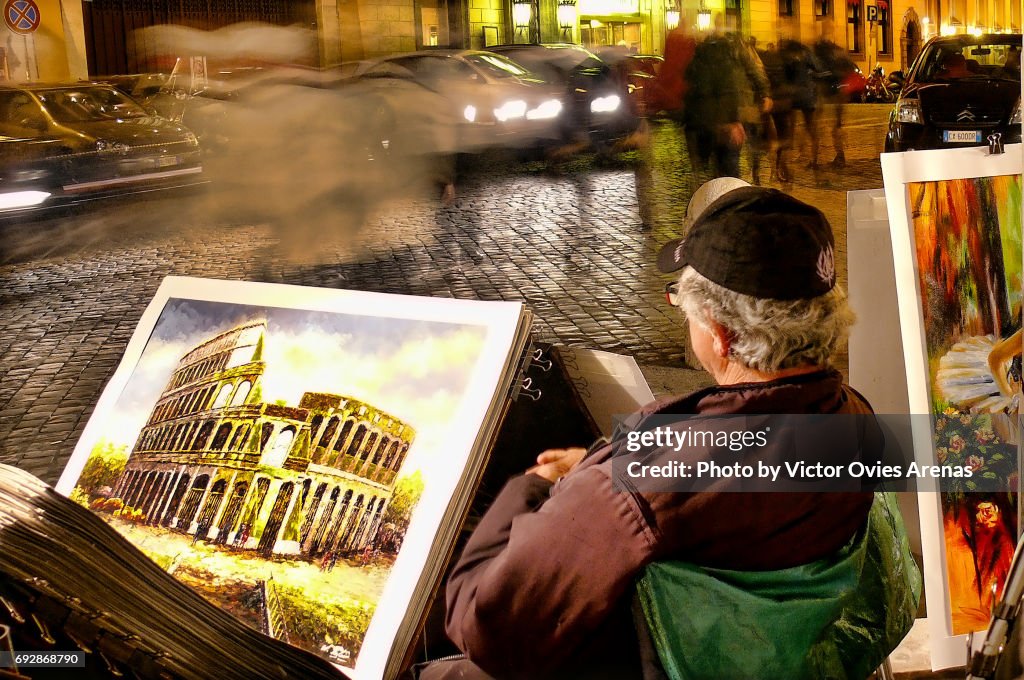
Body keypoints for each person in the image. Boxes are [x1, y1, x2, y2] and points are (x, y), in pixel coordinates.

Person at [418, 180, 916, 679]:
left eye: (681, 300)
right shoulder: (852, 417)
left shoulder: (637, 491)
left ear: (721, 335)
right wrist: (601, 461)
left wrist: (536, 486)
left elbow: (485, 624)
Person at [684, 15, 771, 180]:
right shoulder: (730, 48)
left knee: (725, 159)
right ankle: (729, 191)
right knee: (728, 160)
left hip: (721, 115)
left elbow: (693, 78)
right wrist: (764, 93)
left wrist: (764, 92)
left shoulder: (711, 49)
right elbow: (752, 72)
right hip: (725, 115)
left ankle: (726, 190)